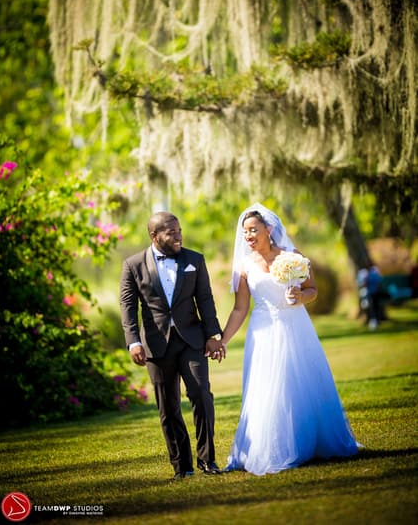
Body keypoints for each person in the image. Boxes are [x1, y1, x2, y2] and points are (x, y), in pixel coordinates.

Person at [221, 202, 360, 476]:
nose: (248, 236)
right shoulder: (244, 266)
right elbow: (239, 309)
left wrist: (300, 297)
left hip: (295, 326)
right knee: (267, 385)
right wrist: (222, 340)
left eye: (253, 230)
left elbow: (312, 290)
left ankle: (309, 441)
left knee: (299, 380)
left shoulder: (292, 256)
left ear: (269, 229)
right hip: (262, 331)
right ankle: (273, 447)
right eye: (245, 231)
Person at [120, 211, 225, 480]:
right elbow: (128, 307)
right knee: (168, 407)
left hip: (192, 340)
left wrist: (213, 334)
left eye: (179, 231)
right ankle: (182, 467)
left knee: (202, 395)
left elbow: (205, 299)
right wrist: (133, 342)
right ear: (155, 236)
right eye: (171, 232)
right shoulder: (133, 265)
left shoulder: (195, 260)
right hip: (156, 345)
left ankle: (208, 460)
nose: (178, 236)